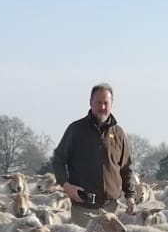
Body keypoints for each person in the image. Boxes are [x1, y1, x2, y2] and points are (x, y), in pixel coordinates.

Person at [50, 83, 136, 222]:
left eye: (106, 103)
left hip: (111, 209)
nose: (102, 107)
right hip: (83, 209)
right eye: (98, 102)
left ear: (112, 104)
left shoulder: (118, 133)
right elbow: (58, 160)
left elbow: (126, 168)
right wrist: (67, 186)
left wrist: (130, 196)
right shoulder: (76, 130)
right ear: (90, 102)